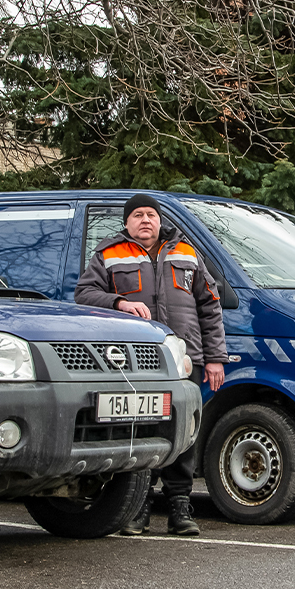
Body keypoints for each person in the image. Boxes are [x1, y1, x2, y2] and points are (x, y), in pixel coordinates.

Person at [75, 193, 227, 535]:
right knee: (140, 433)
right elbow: (84, 294)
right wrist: (119, 302)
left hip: (186, 360)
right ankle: (138, 508)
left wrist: (216, 358)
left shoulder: (187, 252)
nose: (146, 220)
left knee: (184, 436)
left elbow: (210, 306)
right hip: (136, 363)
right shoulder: (109, 254)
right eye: (138, 215)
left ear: (160, 221)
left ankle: (180, 509)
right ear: (127, 222)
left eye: (151, 215)